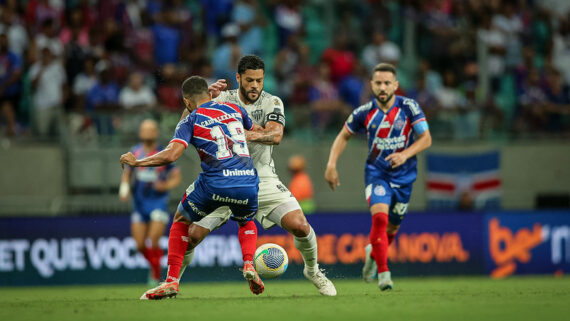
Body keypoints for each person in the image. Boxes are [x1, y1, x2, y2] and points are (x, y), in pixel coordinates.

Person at [166, 55, 337, 297]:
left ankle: (313, 271)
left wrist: (240, 134)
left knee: (300, 225)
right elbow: (184, 127)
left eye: (259, 80)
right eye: (249, 80)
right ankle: (172, 284)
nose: (255, 85)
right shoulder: (222, 98)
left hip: (263, 179)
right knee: (191, 236)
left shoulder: (272, 102)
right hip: (222, 177)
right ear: (238, 78)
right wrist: (192, 105)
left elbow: (276, 136)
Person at [121, 75, 263, 300]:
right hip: (247, 181)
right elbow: (258, 131)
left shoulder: (191, 119)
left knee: (180, 220)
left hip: (215, 182)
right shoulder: (236, 109)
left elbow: (172, 154)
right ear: (209, 94)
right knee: (246, 221)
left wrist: (138, 162)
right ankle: (248, 264)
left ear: (187, 102)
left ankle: (171, 282)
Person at [324, 63, 432, 291]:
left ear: (395, 85)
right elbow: (343, 136)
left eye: (387, 83)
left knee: (391, 230)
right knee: (380, 220)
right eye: (378, 83)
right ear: (372, 85)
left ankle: (373, 253)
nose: (382, 87)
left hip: (404, 177)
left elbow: (426, 139)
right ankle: (384, 273)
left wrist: (405, 154)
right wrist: (331, 164)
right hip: (377, 174)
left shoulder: (409, 107)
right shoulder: (364, 112)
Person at [119, 119, 182, 286]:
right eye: (144, 129)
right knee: (140, 245)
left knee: (153, 240)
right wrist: (124, 188)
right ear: (140, 133)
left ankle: (155, 276)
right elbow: (127, 173)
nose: (147, 133)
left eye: (150, 129)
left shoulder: (163, 152)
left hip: (158, 202)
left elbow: (176, 176)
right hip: (139, 203)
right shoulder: (135, 152)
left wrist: (166, 185)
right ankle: (155, 266)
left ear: (156, 133)